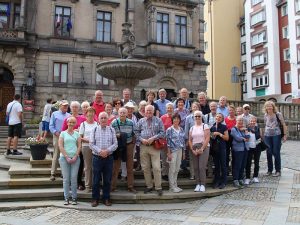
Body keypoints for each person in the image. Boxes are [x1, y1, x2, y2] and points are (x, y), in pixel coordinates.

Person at [89, 112, 118, 207]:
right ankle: (95, 199)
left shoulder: (112, 130)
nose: (103, 120)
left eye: (105, 118)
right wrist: (101, 151)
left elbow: (115, 144)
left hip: (109, 158)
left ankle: (106, 198)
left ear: (108, 119)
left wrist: (107, 151)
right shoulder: (94, 129)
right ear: (98, 119)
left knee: (107, 179)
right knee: (96, 179)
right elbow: (91, 144)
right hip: (97, 158)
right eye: (101, 118)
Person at [136, 105, 165, 196]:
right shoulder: (140, 121)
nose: (148, 112)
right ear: (144, 111)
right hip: (144, 146)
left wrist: (153, 138)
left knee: (156, 167)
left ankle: (158, 187)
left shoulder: (158, 120)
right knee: (145, 168)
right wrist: (141, 139)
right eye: (147, 111)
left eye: (150, 111)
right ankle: (149, 186)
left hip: (154, 146)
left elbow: (162, 132)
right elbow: (136, 132)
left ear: (153, 111)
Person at [61, 101, 86, 190]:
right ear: (70, 108)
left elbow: (85, 132)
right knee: (69, 164)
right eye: (73, 107)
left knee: (80, 164)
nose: (75, 108)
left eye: (76, 107)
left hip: (79, 145)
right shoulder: (67, 119)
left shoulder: (83, 119)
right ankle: (69, 183)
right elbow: (63, 132)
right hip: (69, 145)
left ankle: (79, 182)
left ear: (79, 108)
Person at [111, 107, 137, 193]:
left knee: (129, 166)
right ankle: (112, 186)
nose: (122, 114)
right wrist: (116, 136)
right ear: (118, 113)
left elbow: (135, 133)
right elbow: (110, 134)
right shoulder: (114, 122)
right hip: (118, 146)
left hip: (128, 145)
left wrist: (133, 144)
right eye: (120, 112)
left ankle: (130, 186)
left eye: (124, 112)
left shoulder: (131, 122)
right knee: (115, 167)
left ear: (126, 114)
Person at [58, 116, 81, 205]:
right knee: (66, 179)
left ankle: (74, 198)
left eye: (73, 122)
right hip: (64, 158)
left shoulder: (77, 134)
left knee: (74, 178)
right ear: (67, 123)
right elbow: (60, 146)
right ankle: (66, 197)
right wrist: (66, 157)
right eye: (69, 122)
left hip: (75, 158)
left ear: (75, 124)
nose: (71, 124)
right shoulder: (63, 133)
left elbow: (79, 146)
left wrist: (75, 156)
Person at [263, 101, 287, 177]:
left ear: (273, 107)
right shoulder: (265, 115)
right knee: (268, 152)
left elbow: (283, 124)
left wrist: (285, 135)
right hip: (267, 135)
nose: (269, 107)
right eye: (267, 106)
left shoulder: (278, 114)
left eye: (270, 106)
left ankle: (278, 170)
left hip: (276, 135)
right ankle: (269, 170)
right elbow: (265, 125)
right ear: (265, 108)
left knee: (276, 152)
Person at [188, 110, 210, 192]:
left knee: (201, 167)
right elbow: (190, 140)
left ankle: (203, 184)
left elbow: (207, 138)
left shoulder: (205, 126)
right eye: (196, 116)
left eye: (199, 116)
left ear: (201, 117)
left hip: (204, 147)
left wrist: (202, 149)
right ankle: (198, 184)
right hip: (194, 147)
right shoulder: (192, 127)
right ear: (193, 117)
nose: (197, 117)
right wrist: (192, 150)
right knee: (196, 167)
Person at [49, 100, 70, 181]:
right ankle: (52, 173)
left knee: (65, 154)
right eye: (64, 105)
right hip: (57, 135)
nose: (65, 107)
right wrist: (56, 133)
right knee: (56, 154)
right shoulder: (54, 114)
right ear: (60, 106)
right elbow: (51, 126)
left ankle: (63, 172)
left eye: (67, 106)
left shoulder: (69, 115)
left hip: (66, 136)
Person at [79, 107, 98, 193]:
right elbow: (80, 137)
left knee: (95, 167)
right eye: (89, 112)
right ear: (86, 114)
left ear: (94, 114)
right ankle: (87, 186)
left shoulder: (97, 124)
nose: (90, 114)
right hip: (86, 147)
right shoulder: (83, 124)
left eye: (92, 112)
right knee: (87, 167)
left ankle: (95, 185)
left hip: (95, 147)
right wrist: (89, 140)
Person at [166, 114, 185, 193]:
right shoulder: (169, 130)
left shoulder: (181, 129)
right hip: (172, 151)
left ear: (179, 120)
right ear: (172, 120)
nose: (176, 120)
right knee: (172, 169)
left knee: (177, 169)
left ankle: (175, 185)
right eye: (174, 119)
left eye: (177, 119)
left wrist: (184, 152)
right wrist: (169, 153)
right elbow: (167, 142)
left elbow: (183, 141)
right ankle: (172, 186)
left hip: (180, 150)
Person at [210, 113, 229, 189]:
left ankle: (224, 181)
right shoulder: (212, 127)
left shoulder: (224, 127)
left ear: (222, 119)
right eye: (217, 116)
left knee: (223, 165)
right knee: (217, 166)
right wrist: (212, 135)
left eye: (220, 117)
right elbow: (210, 137)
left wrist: (219, 134)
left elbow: (227, 138)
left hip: (222, 148)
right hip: (215, 148)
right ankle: (217, 181)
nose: (218, 118)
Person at [231, 116, 250, 188]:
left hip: (245, 149)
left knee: (243, 165)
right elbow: (237, 138)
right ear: (236, 121)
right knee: (237, 165)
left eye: (241, 120)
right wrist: (243, 138)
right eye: (239, 120)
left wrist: (245, 132)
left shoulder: (244, 129)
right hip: (238, 150)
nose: (240, 122)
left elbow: (248, 137)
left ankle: (240, 178)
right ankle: (235, 179)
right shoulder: (233, 129)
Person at [184, 102, 201, 180]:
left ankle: (199, 174)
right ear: (191, 108)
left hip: (201, 140)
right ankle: (192, 174)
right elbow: (186, 130)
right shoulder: (188, 118)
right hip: (192, 140)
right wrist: (187, 140)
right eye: (194, 107)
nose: (195, 108)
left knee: (200, 158)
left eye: (196, 107)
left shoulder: (202, 116)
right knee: (192, 158)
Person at [245, 116, 262, 185]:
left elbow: (261, 137)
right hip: (249, 148)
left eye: (254, 121)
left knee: (256, 162)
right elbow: (245, 138)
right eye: (251, 121)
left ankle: (255, 176)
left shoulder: (258, 129)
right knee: (248, 163)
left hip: (257, 147)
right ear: (249, 122)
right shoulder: (247, 129)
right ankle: (247, 177)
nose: (252, 122)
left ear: (256, 122)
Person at [160, 102, 174, 181]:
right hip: (164, 141)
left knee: (172, 159)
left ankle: (172, 174)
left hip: (174, 142)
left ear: (173, 109)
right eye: (168, 108)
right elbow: (161, 129)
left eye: (171, 108)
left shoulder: (175, 117)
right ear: (166, 109)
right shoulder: (162, 117)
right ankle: (164, 174)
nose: (169, 109)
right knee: (165, 159)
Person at [224, 105, 236, 174]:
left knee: (234, 154)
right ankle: (227, 170)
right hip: (227, 137)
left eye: (232, 110)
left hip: (234, 137)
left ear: (234, 111)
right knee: (227, 154)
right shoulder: (225, 119)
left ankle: (233, 169)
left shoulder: (236, 119)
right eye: (229, 110)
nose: (231, 111)